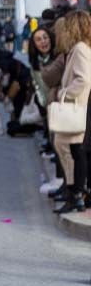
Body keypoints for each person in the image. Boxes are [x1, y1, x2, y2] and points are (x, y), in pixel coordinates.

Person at [50, 12, 91, 214]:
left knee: (74, 150)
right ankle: (75, 193)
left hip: (74, 107)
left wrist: (63, 93)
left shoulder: (81, 49)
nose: (64, 31)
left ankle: (76, 194)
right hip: (75, 107)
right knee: (71, 148)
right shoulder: (79, 48)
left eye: (67, 26)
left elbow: (83, 80)